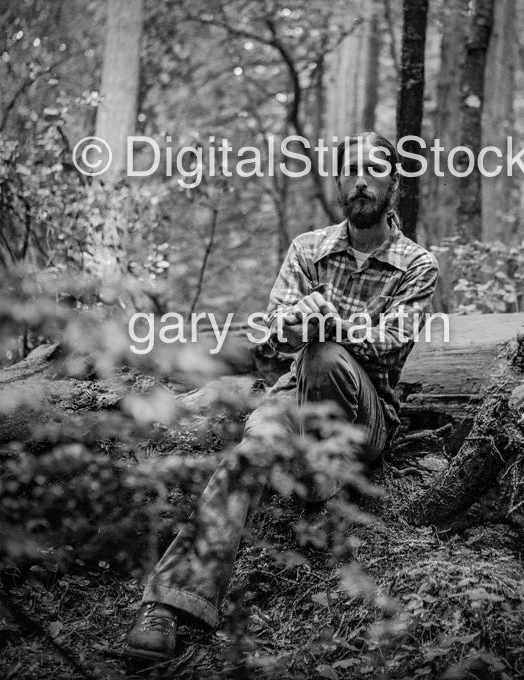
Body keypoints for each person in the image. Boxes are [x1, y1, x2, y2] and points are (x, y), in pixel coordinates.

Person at [123, 131, 439, 661]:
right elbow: (269, 337)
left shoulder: (416, 265)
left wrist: (330, 322)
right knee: (249, 456)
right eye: (351, 171)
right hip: (291, 398)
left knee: (325, 354)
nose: (361, 181)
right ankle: (171, 604)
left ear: (393, 182)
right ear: (339, 182)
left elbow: (391, 346)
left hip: (367, 419)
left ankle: (324, 478)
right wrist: (295, 324)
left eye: (374, 170)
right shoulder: (308, 249)